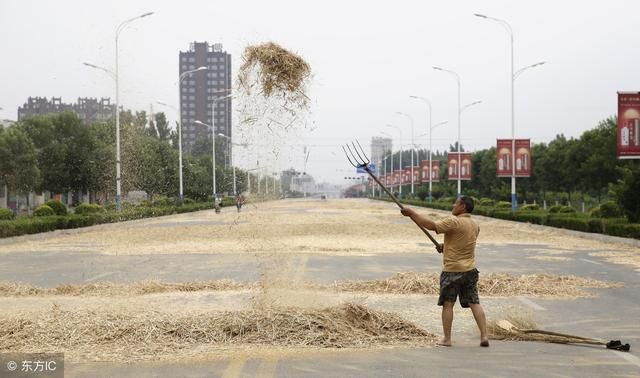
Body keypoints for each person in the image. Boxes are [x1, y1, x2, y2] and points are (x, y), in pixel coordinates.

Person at [400, 196, 489, 347]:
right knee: (475, 303)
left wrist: (412, 214)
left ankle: (447, 339)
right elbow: (462, 242)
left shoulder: (453, 221)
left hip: (452, 271)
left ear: (463, 207)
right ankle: (484, 336)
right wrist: (445, 247)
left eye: (456, 203)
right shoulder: (475, 225)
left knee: (448, 305)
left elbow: (431, 225)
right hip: (470, 270)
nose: (453, 205)